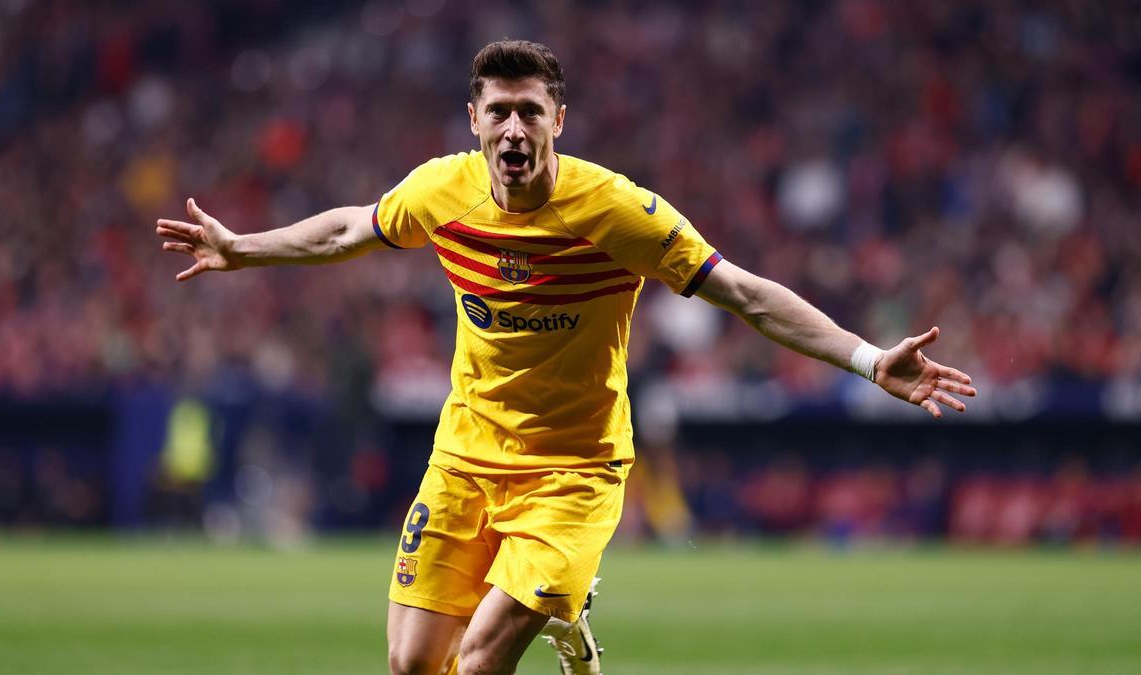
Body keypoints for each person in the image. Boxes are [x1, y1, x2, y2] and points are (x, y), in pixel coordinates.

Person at [156, 39, 976, 675]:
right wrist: (243, 249)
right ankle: (566, 616)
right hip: (463, 457)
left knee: (477, 661)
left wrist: (871, 360)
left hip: (573, 473)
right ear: (474, 122)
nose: (515, 129)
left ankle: (557, 599)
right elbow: (348, 227)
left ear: (559, 121)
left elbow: (748, 294)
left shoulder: (618, 212)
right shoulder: (443, 191)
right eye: (500, 112)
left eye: (531, 112)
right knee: (411, 662)